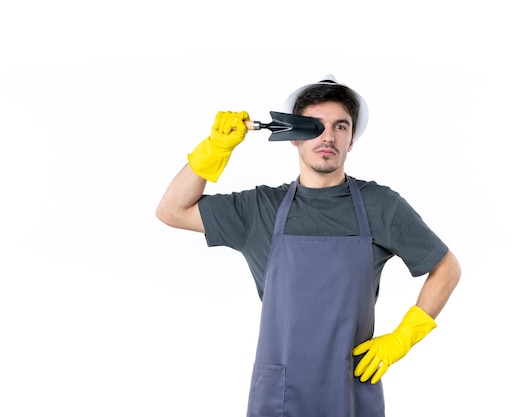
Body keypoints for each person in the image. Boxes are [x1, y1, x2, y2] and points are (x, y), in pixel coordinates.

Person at [156, 75, 461, 416]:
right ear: (294, 138)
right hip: (280, 394)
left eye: (340, 127)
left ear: (351, 140)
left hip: (350, 386)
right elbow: (172, 210)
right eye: (314, 126)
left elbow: (446, 267)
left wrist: (402, 338)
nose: (328, 136)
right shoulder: (260, 209)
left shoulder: (381, 207)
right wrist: (215, 148)